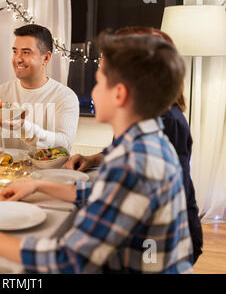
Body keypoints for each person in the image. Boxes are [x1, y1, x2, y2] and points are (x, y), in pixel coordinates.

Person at [0, 32, 193, 273]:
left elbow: (68, 261)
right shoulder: (144, 142)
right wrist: (37, 186)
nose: (93, 93)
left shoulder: (133, 162)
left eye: (100, 83)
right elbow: (103, 192)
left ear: (120, 94)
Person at [65, 26, 203, 264]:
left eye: (100, 77)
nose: (92, 90)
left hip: (163, 246)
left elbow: (68, 260)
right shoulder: (143, 125)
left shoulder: (166, 123)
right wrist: (94, 159)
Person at [0, 24, 79, 152]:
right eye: (15, 52)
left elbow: (64, 144)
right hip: (6, 171)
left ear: (46, 58)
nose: (18, 59)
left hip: (48, 172)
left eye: (26, 52)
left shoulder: (65, 96)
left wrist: (23, 128)